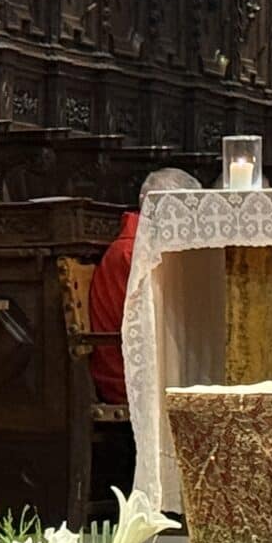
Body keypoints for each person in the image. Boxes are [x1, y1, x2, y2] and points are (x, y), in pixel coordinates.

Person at [89, 168, 199, 405]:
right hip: (127, 376)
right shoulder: (132, 253)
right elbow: (151, 323)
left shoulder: (144, 246)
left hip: (148, 363)